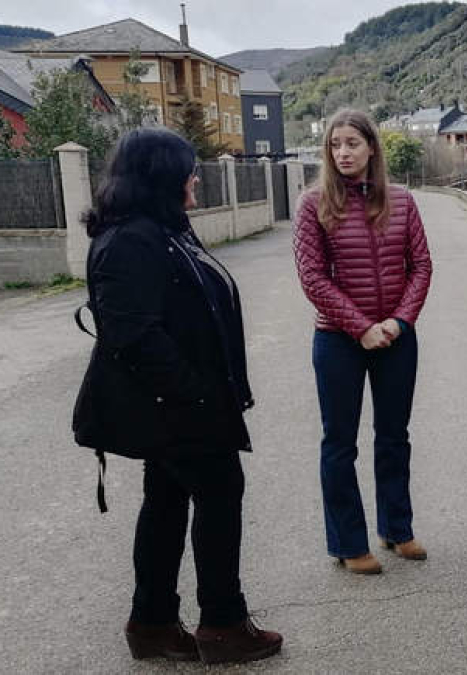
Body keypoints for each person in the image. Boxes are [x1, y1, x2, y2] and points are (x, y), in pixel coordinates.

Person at [72, 127, 283, 664]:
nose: (196, 177)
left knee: (166, 501)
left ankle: (152, 622)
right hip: (174, 407)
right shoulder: (129, 241)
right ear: (161, 176)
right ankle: (223, 623)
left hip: (180, 404)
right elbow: (136, 336)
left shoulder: (163, 229)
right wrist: (195, 394)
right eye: (189, 168)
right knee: (217, 494)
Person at [294, 108, 433, 575]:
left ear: (372, 147)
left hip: (396, 337)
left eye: (352, 143)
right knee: (339, 442)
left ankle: (398, 529)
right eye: (335, 145)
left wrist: (398, 322)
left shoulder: (402, 201)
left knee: (394, 437)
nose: (343, 153)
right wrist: (361, 326)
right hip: (338, 341)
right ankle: (348, 542)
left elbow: (422, 268)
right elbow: (313, 278)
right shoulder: (313, 203)